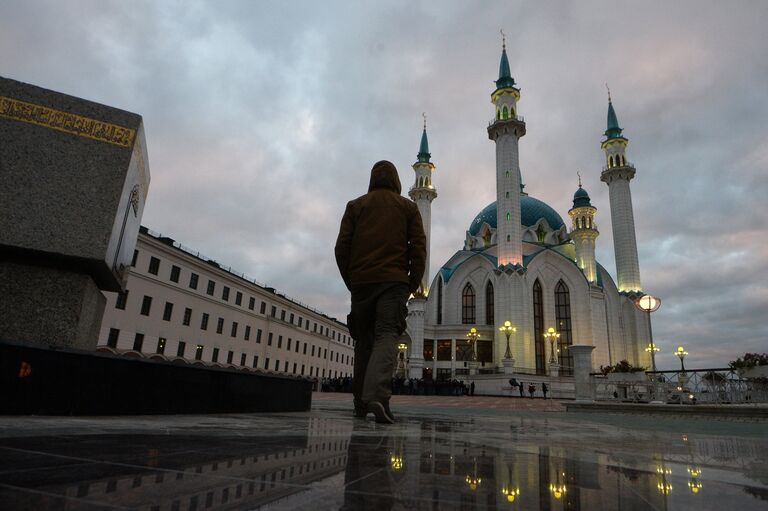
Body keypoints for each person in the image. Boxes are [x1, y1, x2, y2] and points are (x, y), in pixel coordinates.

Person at [335, 160, 427, 424]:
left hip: (362, 283)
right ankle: (377, 395)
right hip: (394, 283)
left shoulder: (355, 206)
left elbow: (342, 248)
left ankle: (360, 403)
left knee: (363, 341)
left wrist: (352, 280)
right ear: (397, 180)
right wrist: (410, 284)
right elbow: (418, 250)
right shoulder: (408, 208)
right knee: (387, 335)